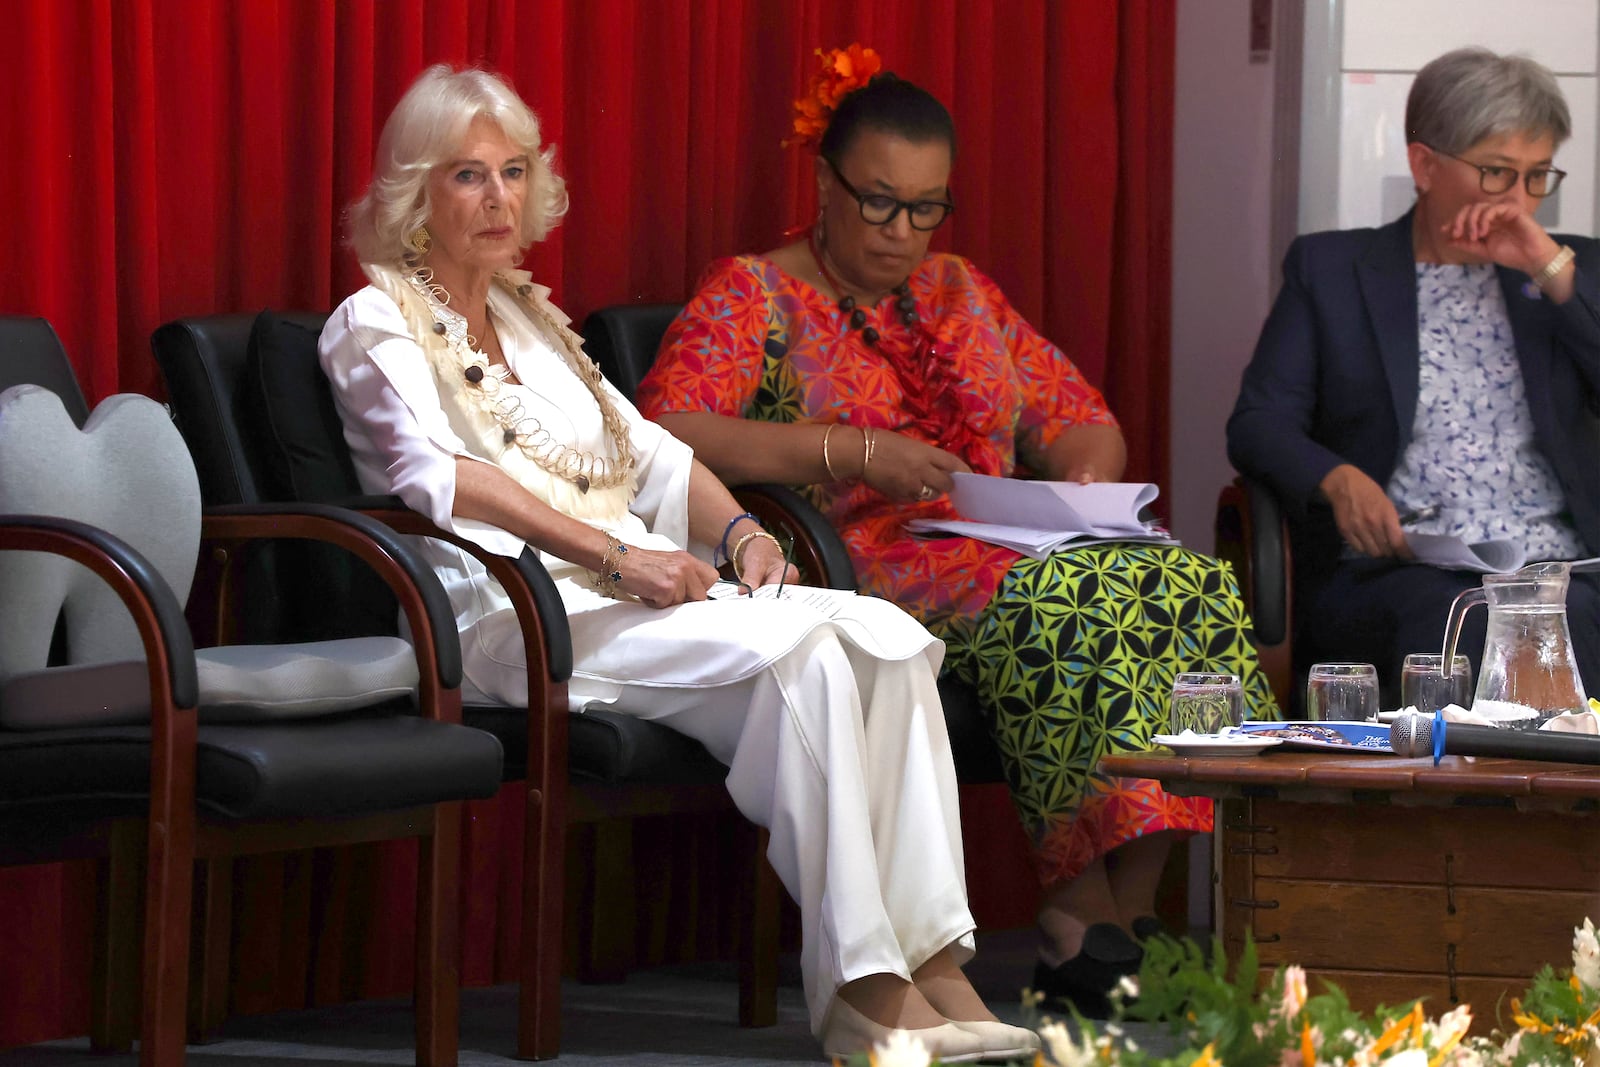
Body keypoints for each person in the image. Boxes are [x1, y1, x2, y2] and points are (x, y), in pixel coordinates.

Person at [317, 65, 1039, 1062]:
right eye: (467, 176)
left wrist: (742, 532)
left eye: (512, 172)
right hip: (505, 617)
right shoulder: (376, 320)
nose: (497, 199)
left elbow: (657, 455)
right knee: (814, 658)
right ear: (414, 192)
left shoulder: (536, 323)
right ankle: (867, 988)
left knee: (886, 638)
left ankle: (932, 964)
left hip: (626, 602)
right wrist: (621, 552)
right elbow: (438, 477)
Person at [636, 64, 1279, 1016]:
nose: (902, 233)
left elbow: (1081, 421)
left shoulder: (961, 290)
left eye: (926, 209)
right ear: (824, 184)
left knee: (1180, 581)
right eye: (880, 204)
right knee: (1070, 602)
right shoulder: (752, 294)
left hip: (1000, 539)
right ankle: (1073, 916)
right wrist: (856, 450)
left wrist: (1083, 484)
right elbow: (668, 429)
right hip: (860, 556)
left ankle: (1129, 917)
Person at [1227, 47, 1600, 703]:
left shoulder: (1570, 276)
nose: (1519, 201)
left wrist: (1549, 268)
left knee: (1566, 612)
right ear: (1424, 165)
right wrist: (1336, 478)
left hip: (1561, 566)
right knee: (1470, 619)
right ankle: (1471, 803)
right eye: (1497, 173)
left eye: (1538, 176)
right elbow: (1260, 422)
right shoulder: (1332, 271)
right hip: (1403, 567)